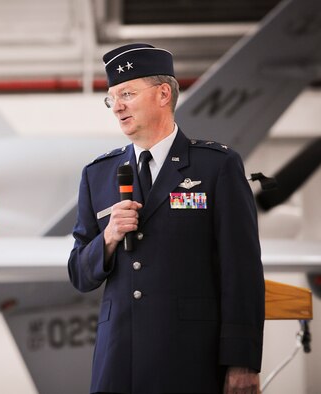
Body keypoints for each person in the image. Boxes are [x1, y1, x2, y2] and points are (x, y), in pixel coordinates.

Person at [67, 43, 265, 394]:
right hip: (117, 364)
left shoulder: (216, 166)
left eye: (127, 93)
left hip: (189, 360)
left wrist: (242, 360)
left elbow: (242, 271)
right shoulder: (97, 174)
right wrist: (109, 237)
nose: (117, 107)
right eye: (111, 98)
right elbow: (79, 274)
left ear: (163, 94)